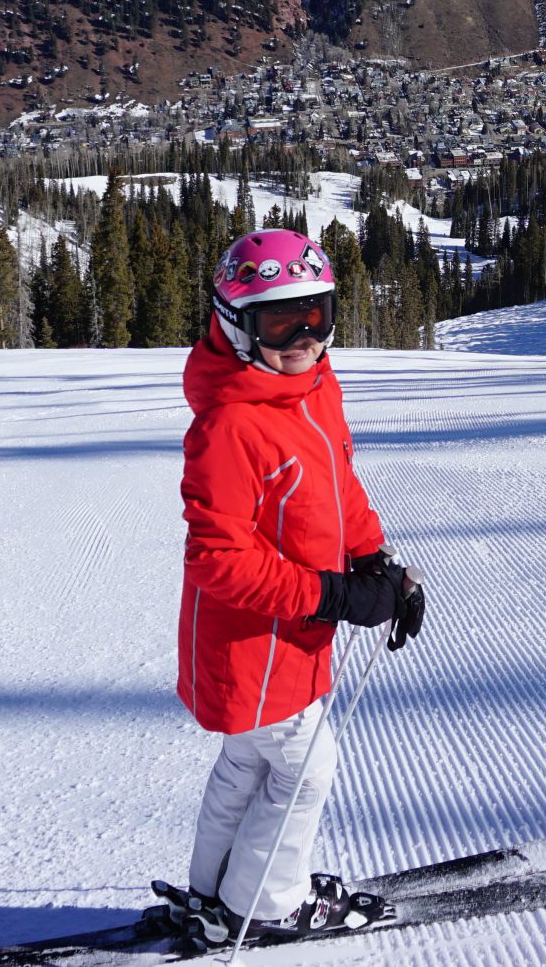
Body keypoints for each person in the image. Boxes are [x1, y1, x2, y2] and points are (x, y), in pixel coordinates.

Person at [172, 227, 426, 944]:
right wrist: (333, 595)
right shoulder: (230, 425)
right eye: (280, 321)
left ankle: (213, 894)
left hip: (289, 641)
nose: (304, 336)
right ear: (235, 323)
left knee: (250, 763)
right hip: (252, 644)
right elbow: (216, 558)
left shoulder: (314, 388)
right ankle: (267, 902)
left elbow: (338, 484)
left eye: (316, 313)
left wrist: (376, 560)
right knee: (306, 770)